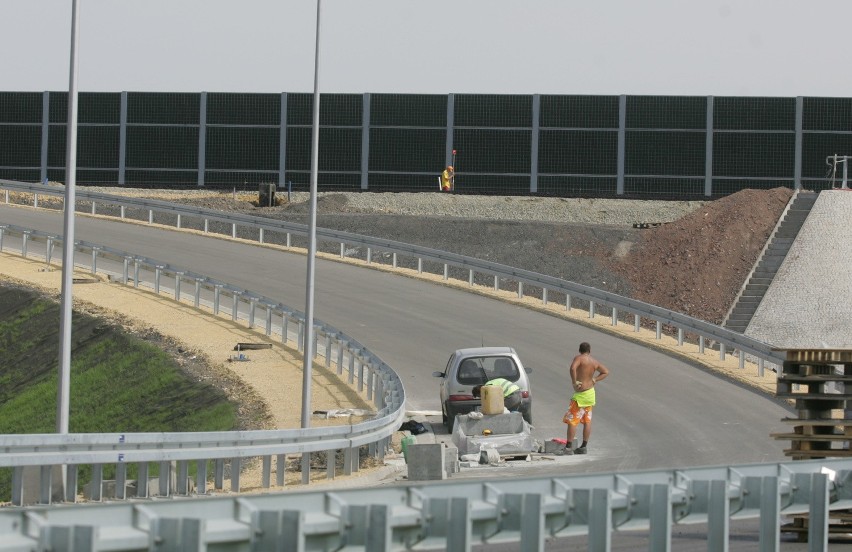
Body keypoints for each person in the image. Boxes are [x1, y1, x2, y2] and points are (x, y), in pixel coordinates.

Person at [563, 342, 609, 455]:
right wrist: (595, 379)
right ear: (590, 351)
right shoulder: (594, 362)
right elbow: (606, 372)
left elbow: (573, 368)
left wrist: (574, 382)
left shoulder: (579, 358)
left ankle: (568, 447)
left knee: (572, 421)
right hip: (590, 394)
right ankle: (584, 446)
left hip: (580, 396)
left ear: (580, 350)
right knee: (587, 421)